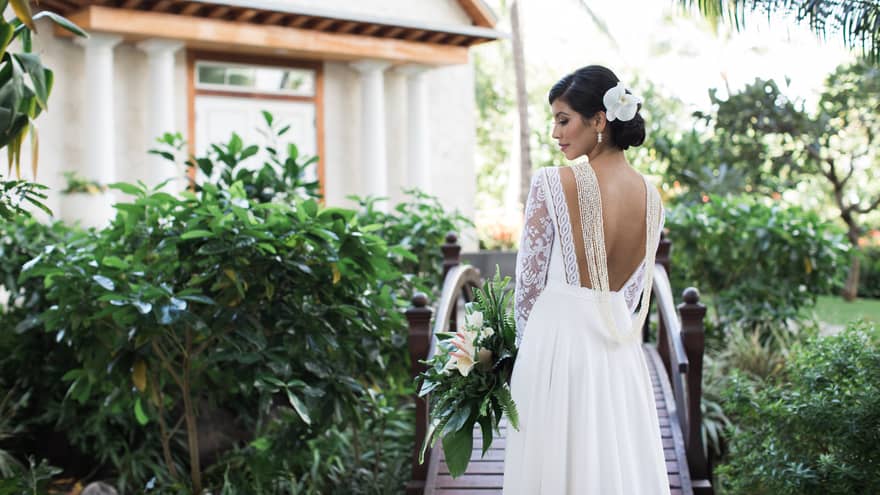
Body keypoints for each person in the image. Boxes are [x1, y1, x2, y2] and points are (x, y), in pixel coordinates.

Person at [501, 65, 669, 494]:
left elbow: (529, 283)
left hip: (555, 344)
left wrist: (519, 352)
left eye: (563, 119)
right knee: (611, 467)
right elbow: (632, 291)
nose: (555, 133)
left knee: (553, 468)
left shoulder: (552, 183)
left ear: (599, 120)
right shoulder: (652, 197)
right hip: (617, 350)